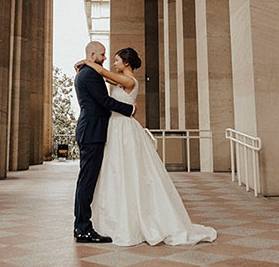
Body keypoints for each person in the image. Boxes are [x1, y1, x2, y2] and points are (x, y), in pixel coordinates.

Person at [75, 47, 216, 246]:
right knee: (116, 171)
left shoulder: (130, 81)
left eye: (116, 60)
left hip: (123, 128)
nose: (111, 62)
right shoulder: (118, 79)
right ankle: (101, 221)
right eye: (107, 57)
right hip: (114, 128)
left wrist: (87, 62)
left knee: (128, 171)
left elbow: (104, 75)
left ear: (126, 63)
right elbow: (106, 80)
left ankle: (127, 219)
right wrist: (86, 62)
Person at [73, 41, 136, 243]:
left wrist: (85, 62)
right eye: (102, 54)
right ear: (92, 54)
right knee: (87, 181)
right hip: (92, 132)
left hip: (92, 131)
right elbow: (104, 101)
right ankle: (82, 228)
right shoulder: (90, 73)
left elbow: (104, 81)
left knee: (87, 180)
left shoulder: (88, 71)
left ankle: (82, 226)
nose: (105, 58)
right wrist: (130, 110)